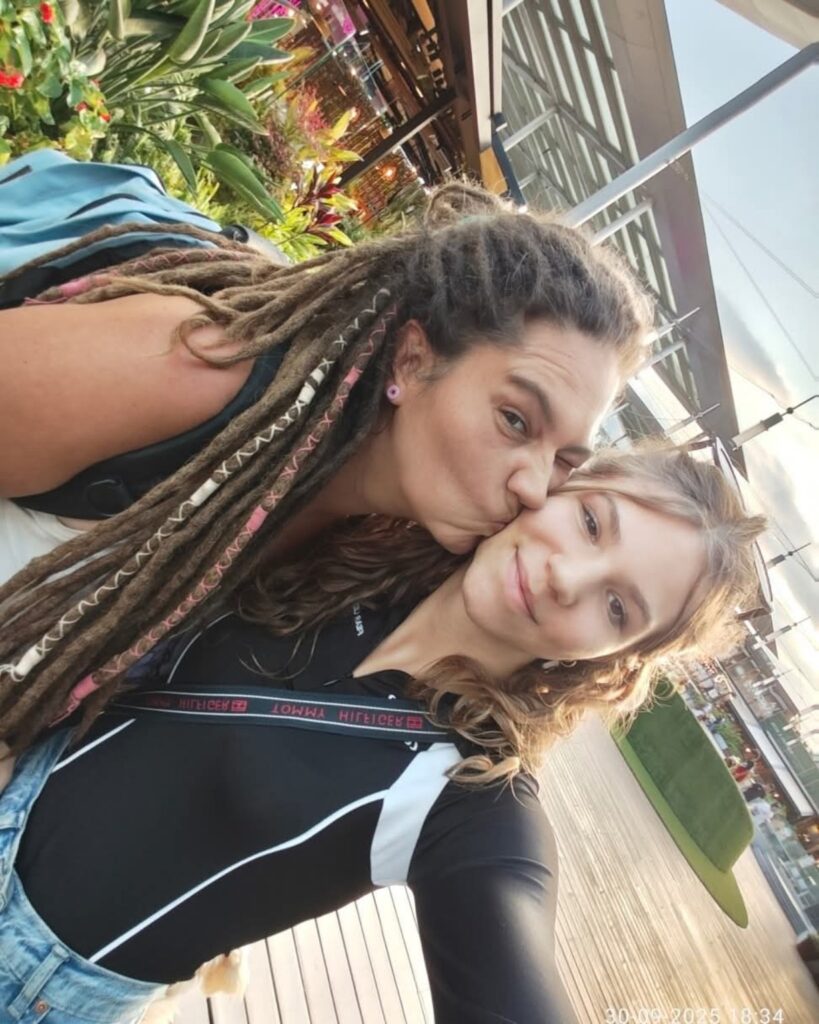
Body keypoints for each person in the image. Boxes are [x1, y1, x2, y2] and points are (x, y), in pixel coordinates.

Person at [0, 445, 765, 1023]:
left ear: (615, 661)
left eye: (616, 608)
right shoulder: (353, 549)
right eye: (591, 521)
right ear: (555, 484)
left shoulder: (466, 799)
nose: (569, 577)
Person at [0, 179, 653, 750]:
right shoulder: (199, 368)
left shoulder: (388, 549)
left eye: (564, 459)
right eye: (515, 420)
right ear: (413, 362)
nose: (534, 487)